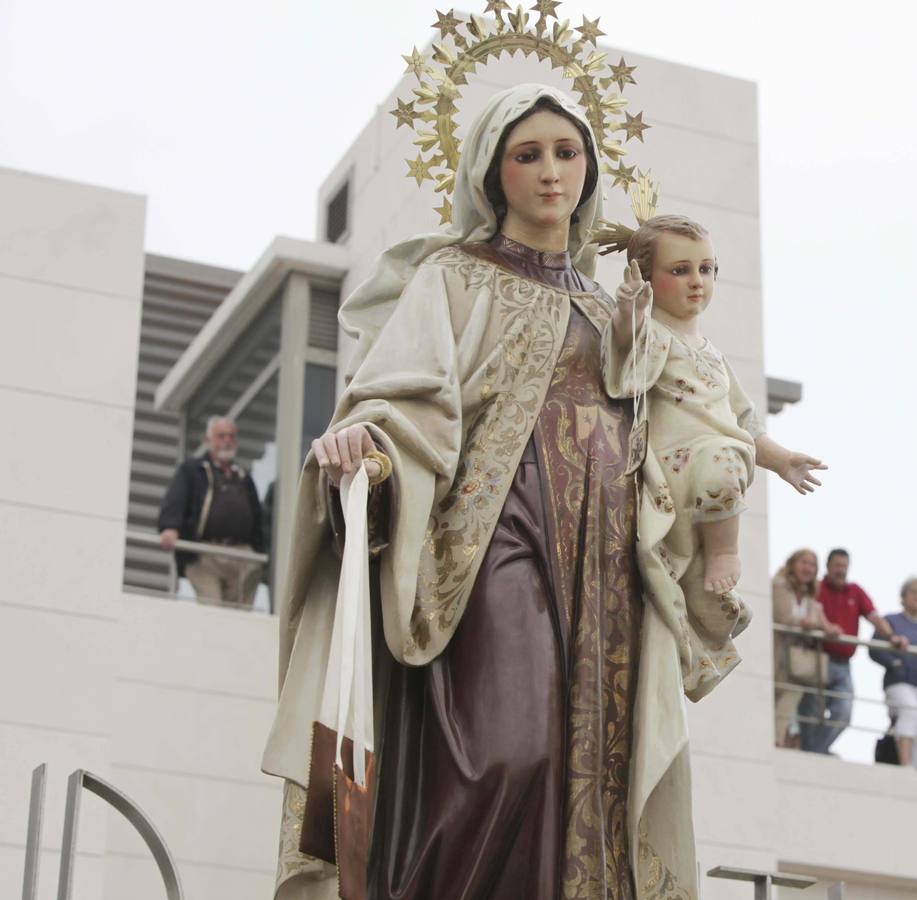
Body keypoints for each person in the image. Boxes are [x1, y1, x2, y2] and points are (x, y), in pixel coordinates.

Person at [261, 85, 721, 900]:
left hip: (603, 566)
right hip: (493, 539)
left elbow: (691, 427)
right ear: (490, 170)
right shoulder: (454, 279)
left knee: (591, 774)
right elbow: (397, 400)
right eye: (529, 154)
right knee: (512, 746)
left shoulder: (612, 307)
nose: (552, 173)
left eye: (567, 153)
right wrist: (366, 452)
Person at [604, 213, 826, 698]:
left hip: (720, 460)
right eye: (680, 269)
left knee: (724, 466)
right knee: (717, 476)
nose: (696, 281)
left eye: (707, 269)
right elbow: (624, 353)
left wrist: (783, 460)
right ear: (646, 276)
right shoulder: (655, 335)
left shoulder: (714, 355)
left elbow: (745, 421)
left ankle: (720, 554)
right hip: (675, 465)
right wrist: (629, 313)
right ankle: (720, 557)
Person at [801, 548, 906, 755]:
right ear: (828, 567)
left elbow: (874, 616)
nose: (841, 570)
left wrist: (891, 636)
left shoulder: (855, 591)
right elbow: (813, 609)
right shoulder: (818, 587)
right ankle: (813, 753)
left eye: (844, 566)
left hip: (843, 664)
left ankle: (814, 752)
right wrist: (827, 627)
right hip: (818, 659)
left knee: (843, 713)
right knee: (811, 714)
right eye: (837, 566)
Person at [156, 416, 264, 607]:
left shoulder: (243, 476)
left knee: (237, 618)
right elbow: (175, 499)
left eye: (231, 436)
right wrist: (170, 527)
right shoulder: (193, 470)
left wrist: (260, 551)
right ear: (208, 440)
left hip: (241, 556)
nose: (227, 441)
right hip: (205, 554)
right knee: (212, 609)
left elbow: (257, 516)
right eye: (221, 436)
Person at [869, 577, 917, 768]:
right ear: (903, 597)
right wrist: (895, 662)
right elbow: (874, 649)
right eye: (913, 592)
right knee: (910, 711)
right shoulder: (892, 621)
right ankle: (906, 765)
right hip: (900, 682)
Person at [770, 549, 838, 748]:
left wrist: (816, 624)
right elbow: (784, 617)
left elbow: (819, 620)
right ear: (793, 563)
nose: (808, 568)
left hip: (796, 661)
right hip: (776, 653)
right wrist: (807, 623)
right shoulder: (778, 585)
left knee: (789, 699)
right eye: (804, 562)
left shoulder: (810, 597)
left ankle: (777, 741)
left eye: (812, 564)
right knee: (771, 696)